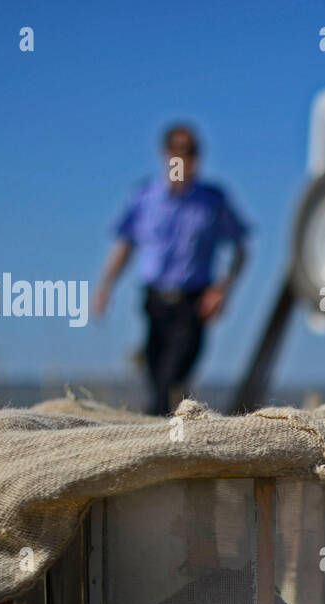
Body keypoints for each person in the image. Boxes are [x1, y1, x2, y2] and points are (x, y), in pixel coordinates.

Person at [94, 124, 249, 415]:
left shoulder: (212, 201)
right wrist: (105, 286)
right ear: (166, 154)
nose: (185, 158)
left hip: (193, 304)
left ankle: (163, 438)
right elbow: (126, 245)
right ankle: (159, 432)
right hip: (155, 302)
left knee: (172, 378)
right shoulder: (145, 198)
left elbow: (241, 250)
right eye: (179, 151)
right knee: (156, 379)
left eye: (191, 151)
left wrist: (222, 290)